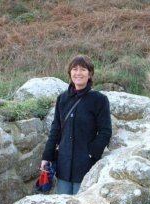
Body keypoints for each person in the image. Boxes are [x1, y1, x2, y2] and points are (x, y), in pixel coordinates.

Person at [41, 54, 112, 195]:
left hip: (86, 164)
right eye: (75, 69)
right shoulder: (62, 98)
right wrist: (47, 156)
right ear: (70, 73)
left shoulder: (99, 100)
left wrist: (91, 153)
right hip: (64, 163)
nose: (78, 73)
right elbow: (56, 129)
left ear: (90, 74)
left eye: (83, 69)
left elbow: (105, 131)